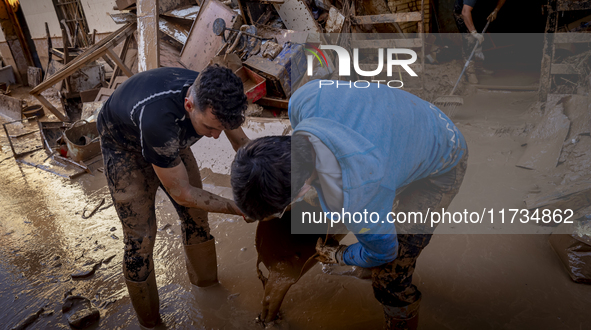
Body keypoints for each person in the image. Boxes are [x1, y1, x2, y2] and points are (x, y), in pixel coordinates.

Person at [231, 80, 468, 330]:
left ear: (301, 190)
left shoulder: (358, 196)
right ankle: (366, 265)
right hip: (406, 121)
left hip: (443, 156)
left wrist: (339, 254)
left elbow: (385, 251)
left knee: (390, 277)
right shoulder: (304, 99)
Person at [97, 65, 249, 328]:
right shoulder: (159, 120)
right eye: (209, 128)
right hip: (125, 147)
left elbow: (243, 146)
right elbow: (184, 194)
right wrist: (238, 208)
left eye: (221, 128)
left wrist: (270, 184)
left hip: (170, 141)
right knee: (140, 241)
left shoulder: (217, 98)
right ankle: (151, 322)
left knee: (197, 219)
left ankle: (209, 288)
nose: (215, 137)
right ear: (189, 104)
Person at [453, 0, 507, 83]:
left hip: (480, 11)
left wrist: (496, 10)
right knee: (470, 39)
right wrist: (473, 32)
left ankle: (479, 66)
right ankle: (470, 71)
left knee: (481, 38)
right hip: (463, 12)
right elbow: (465, 12)